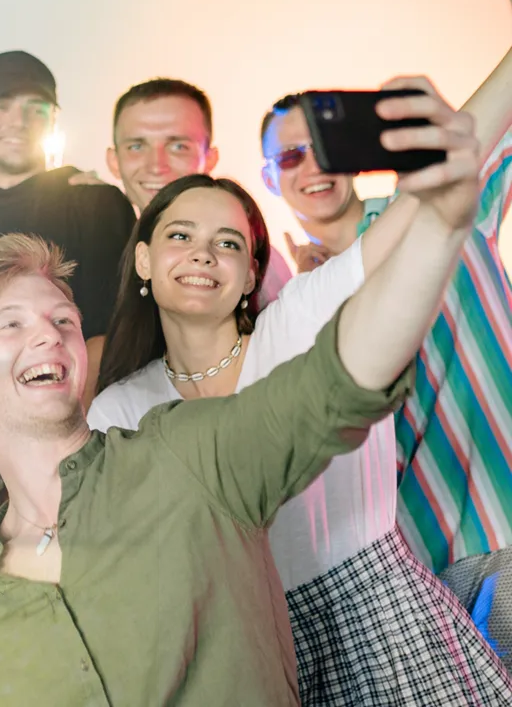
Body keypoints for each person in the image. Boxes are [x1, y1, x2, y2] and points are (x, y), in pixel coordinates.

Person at [0, 74, 487, 706]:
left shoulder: (183, 454)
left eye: (63, 319)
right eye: (12, 324)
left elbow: (341, 379)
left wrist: (442, 218)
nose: (46, 336)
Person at [90, 173, 511, 703]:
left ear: (250, 276)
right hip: (244, 660)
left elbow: (412, 215)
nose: (202, 255)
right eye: (180, 236)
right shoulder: (118, 410)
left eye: (227, 243)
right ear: (144, 261)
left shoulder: (302, 321)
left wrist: (454, 154)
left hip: (383, 624)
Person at [259, 0, 512, 616]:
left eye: (323, 145)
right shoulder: (289, 310)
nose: (311, 167)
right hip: (452, 568)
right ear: (269, 179)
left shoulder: (440, 196)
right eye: (289, 156)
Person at [0, 50, 136, 398]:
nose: (17, 121)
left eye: (34, 109)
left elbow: (114, 329)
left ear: (52, 121)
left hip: (69, 407)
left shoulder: (93, 202)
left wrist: (70, 431)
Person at [105, 78, 292, 305]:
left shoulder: (254, 265)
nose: (156, 165)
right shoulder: (96, 250)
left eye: (178, 147)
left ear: (210, 159)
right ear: (114, 161)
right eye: (136, 146)